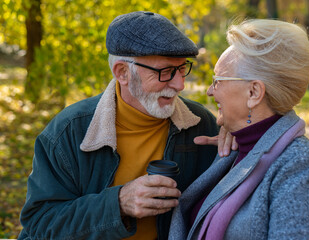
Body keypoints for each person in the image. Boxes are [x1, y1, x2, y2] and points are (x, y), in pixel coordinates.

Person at [19, 11, 235, 239]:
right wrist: (119, 204)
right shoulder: (68, 132)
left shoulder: (201, 124)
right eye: (166, 72)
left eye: (182, 69)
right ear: (122, 72)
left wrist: (240, 147)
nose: (179, 84)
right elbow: (40, 222)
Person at [169, 19, 309, 239]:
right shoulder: (237, 147)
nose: (209, 91)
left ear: (254, 92)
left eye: (218, 80)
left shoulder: (304, 170)